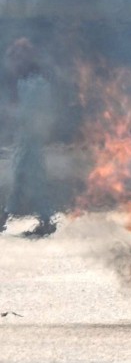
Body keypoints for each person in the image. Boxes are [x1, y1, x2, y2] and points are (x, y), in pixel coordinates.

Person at [0, 40, 57, 237]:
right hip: (27, 135)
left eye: (16, 60)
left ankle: (45, 218)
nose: (13, 66)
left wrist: (11, 116)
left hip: (31, 135)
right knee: (22, 176)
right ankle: (7, 217)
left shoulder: (36, 83)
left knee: (31, 177)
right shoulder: (27, 81)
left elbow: (32, 113)